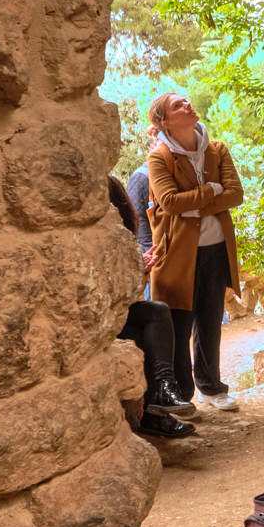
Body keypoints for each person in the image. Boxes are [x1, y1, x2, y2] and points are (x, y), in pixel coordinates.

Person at [145, 93, 247, 413]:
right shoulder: (159, 158)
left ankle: (211, 386)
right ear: (164, 121)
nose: (187, 105)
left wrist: (195, 205)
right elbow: (169, 202)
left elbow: (235, 195)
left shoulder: (217, 150)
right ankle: (181, 395)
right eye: (177, 105)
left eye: (186, 101)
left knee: (210, 321)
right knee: (179, 325)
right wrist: (212, 191)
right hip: (177, 255)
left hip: (216, 249)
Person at [108, 177, 198, 438]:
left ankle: (161, 394)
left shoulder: (118, 241)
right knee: (147, 326)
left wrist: (139, 269)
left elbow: (126, 295)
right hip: (98, 323)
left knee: (156, 313)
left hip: (113, 315)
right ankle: (154, 410)